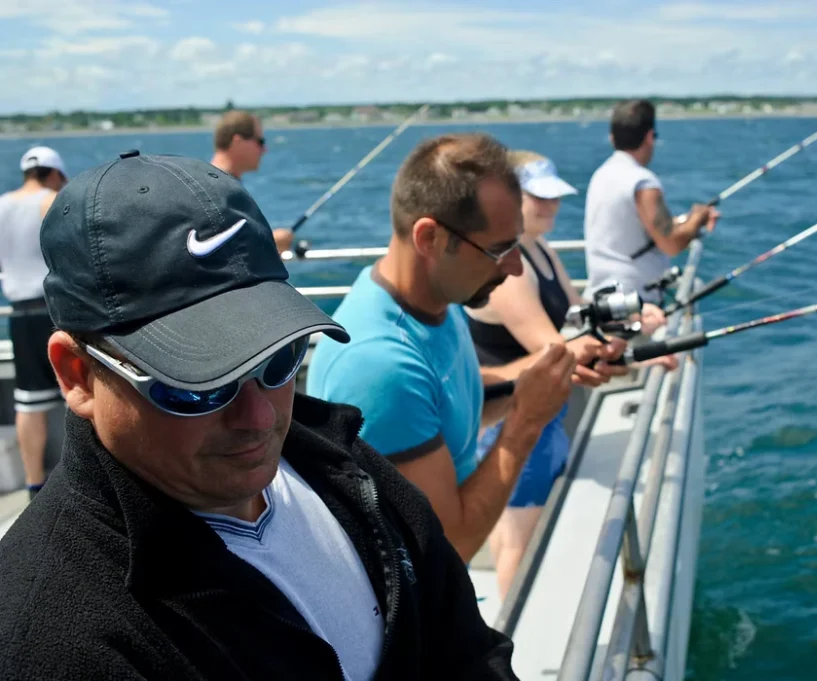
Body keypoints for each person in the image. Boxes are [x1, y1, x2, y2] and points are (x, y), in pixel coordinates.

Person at [0, 150, 520, 680]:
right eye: (196, 384)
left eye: (279, 358)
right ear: (78, 375)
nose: (258, 417)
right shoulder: (51, 644)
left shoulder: (336, 457)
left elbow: (465, 650)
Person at [306, 133, 628, 564]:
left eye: (517, 246)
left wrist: (542, 379)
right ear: (430, 239)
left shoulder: (435, 303)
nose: (515, 268)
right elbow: (450, 546)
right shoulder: (380, 366)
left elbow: (451, 401)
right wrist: (525, 422)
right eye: (499, 250)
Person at [463, 151, 676, 597]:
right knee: (519, 546)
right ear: (510, 199)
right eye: (538, 199)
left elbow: (581, 318)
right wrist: (630, 353)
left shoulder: (539, 249)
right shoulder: (510, 270)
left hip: (546, 419)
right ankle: (515, 647)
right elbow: (555, 349)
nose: (550, 207)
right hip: (514, 422)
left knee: (513, 536)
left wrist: (634, 328)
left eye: (554, 198)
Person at [583, 98, 720, 303]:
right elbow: (671, 243)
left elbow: (639, 228)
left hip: (603, 296)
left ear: (613, 138)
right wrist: (698, 218)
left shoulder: (602, 174)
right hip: (633, 303)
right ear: (649, 136)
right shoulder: (642, 182)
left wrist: (688, 220)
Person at [0, 146, 68, 499]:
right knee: (78, 395)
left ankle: (33, 485)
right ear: (53, 173)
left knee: (29, 404)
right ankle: (83, 480)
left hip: (20, 316)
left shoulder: (2, 205)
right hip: (53, 311)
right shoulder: (52, 200)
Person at [209, 109, 294, 255]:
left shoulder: (216, 182)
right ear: (238, 142)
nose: (264, 150)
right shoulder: (219, 189)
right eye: (260, 142)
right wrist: (270, 242)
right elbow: (222, 248)